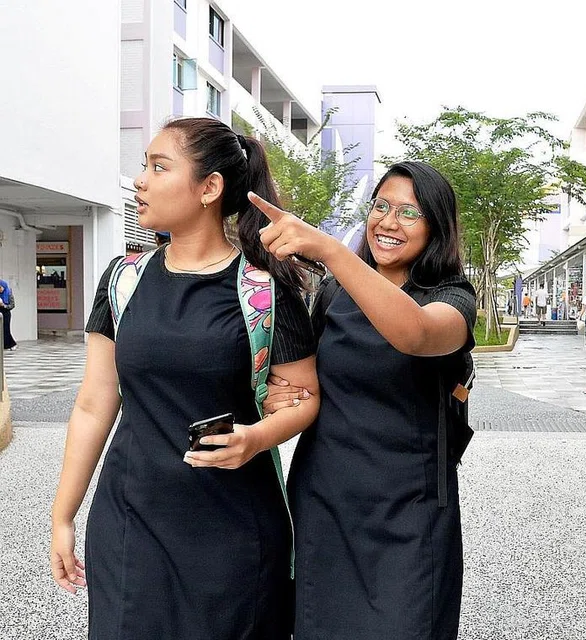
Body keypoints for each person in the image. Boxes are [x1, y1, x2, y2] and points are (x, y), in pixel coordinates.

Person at [49, 117, 320, 639]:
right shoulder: (122, 280)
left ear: (209, 188)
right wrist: (64, 515)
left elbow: (304, 398)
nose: (140, 180)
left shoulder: (263, 290)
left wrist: (256, 439)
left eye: (158, 166)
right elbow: (93, 403)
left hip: (235, 530)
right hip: (131, 522)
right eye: (143, 166)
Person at [250, 160, 477, 640]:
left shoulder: (452, 298)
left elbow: (414, 333)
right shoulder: (333, 295)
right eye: (381, 206)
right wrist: (282, 392)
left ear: (436, 226)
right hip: (326, 503)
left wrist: (332, 250)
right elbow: (304, 381)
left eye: (409, 213)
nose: (388, 222)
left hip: (409, 513)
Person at [0, 279, 16, 351]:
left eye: (0, 287)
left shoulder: (9, 293)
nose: (0, 289)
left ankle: (11, 344)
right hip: (0, 313)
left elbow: (12, 305)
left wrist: (4, 305)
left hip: (6, 313)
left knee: (6, 329)